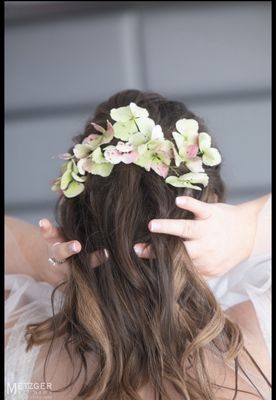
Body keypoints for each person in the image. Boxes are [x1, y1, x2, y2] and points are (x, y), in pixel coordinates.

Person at [5, 89, 271, 400]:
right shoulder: (257, 340)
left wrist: (47, 257)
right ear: (210, 207)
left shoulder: (23, 343)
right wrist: (249, 229)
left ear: (73, 218)